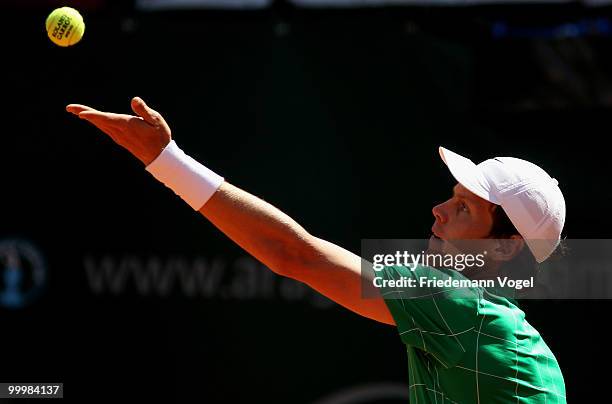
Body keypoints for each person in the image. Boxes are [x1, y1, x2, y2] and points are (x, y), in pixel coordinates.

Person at [66, 97, 567, 403]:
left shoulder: (460, 305)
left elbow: (295, 254)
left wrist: (166, 160)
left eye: (463, 209)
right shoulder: (502, 329)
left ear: (504, 249)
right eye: (452, 199)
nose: (438, 210)